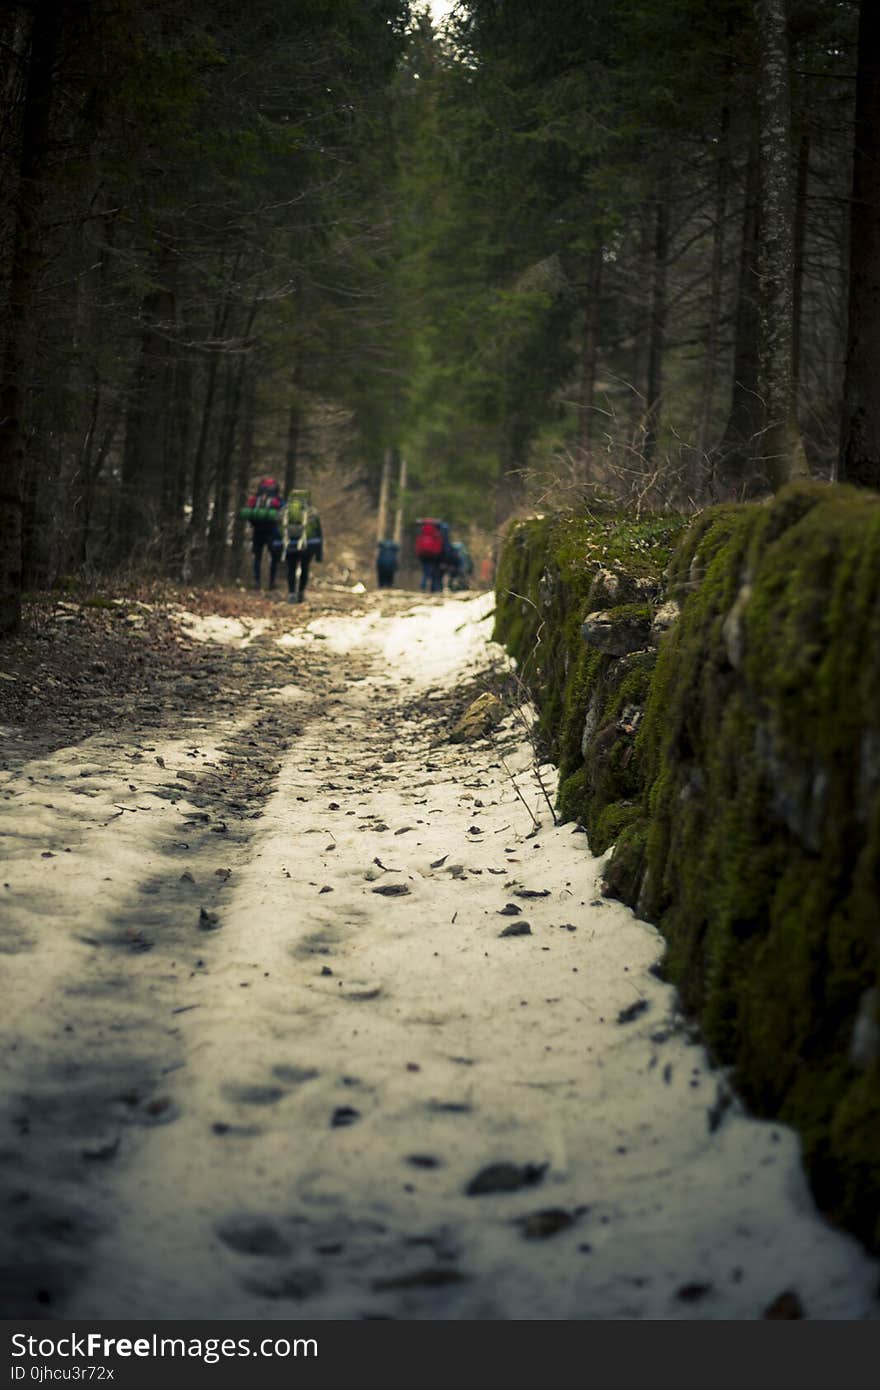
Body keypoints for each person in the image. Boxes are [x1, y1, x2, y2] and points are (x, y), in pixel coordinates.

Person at [241, 477, 284, 590]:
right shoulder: (277, 500)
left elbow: (248, 512)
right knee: (274, 557)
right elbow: (283, 512)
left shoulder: (256, 499)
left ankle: (257, 581)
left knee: (257, 557)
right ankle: (272, 582)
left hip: (258, 530)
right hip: (272, 531)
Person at [283, 487, 323, 603]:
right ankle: (300, 593)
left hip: (290, 543)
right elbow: (318, 533)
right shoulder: (312, 512)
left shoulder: (286, 510)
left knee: (291, 568)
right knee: (305, 568)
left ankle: (291, 593)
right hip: (307, 545)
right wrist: (319, 554)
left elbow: (279, 528)